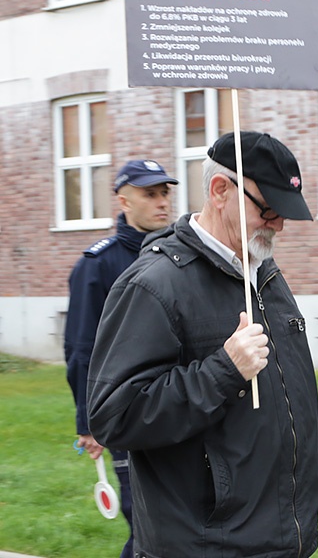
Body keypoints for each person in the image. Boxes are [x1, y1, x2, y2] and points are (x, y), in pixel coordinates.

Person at [87, 131, 318, 558]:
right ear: (220, 190)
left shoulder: (265, 274)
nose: (279, 225)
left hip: (283, 537)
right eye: (269, 209)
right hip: (209, 544)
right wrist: (224, 371)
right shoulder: (154, 284)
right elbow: (115, 415)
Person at [64, 158, 178, 558]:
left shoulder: (178, 253)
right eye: (151, 194)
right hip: (125, 413)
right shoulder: (98, 265)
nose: (162, 202)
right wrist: (89, 423)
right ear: (124, 201)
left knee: (178, 525)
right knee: (146, 525)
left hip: (178, 409)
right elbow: (81, 349)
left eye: (165, 192)